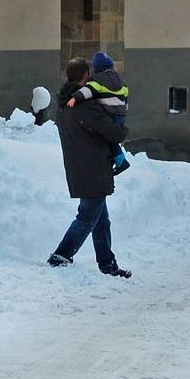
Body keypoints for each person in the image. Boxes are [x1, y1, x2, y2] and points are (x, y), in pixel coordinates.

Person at [48, 57, 132, 277]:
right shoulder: (86, 106)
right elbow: (112, 131)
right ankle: (61, 256)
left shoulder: (64, 105)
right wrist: (122, 130)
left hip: (79, 164)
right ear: (85, 76)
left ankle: (108, 265)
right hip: (92, 167)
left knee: (100, 219)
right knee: (87, 217)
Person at [66, 51, 131, 174]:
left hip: (109, 113)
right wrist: (123, 111)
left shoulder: (98, 81)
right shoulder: (122, 82)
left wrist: (75, 97)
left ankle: (121, 161)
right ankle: (119, 159)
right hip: (120, 115)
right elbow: (125, 99)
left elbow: (87, 91)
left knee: (108, 138)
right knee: (113, 138)